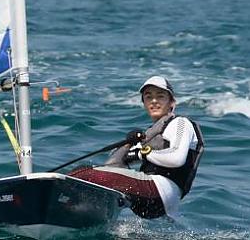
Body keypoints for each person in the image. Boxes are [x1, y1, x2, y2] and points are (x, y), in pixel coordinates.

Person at [69, 76, 204, 219]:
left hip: (161, 191)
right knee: (86, 175)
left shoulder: (180, 123)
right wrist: (128, 145)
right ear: (144, 103)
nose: (154, 101)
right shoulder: (151, 134)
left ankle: (60, 208)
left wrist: (142, 153)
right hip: (152, 199)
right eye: (148, 97)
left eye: (160, 96)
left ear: (172, 102)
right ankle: (81, 215)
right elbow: (113, 165)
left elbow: (177, 158)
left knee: (83, 174)